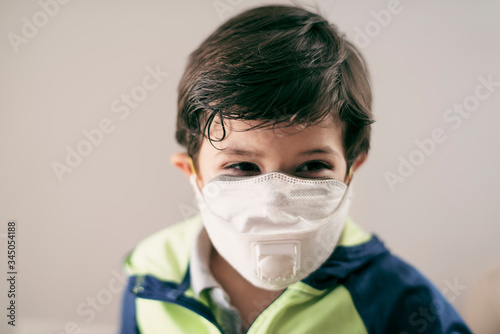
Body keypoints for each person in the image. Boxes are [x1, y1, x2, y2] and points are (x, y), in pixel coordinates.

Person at [119, 4, 471, 333]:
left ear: (351, 171)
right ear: (192, 172)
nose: (274, 201)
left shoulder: (397, 300)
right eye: (242, 166)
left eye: (312, 166)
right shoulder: (150, 278)